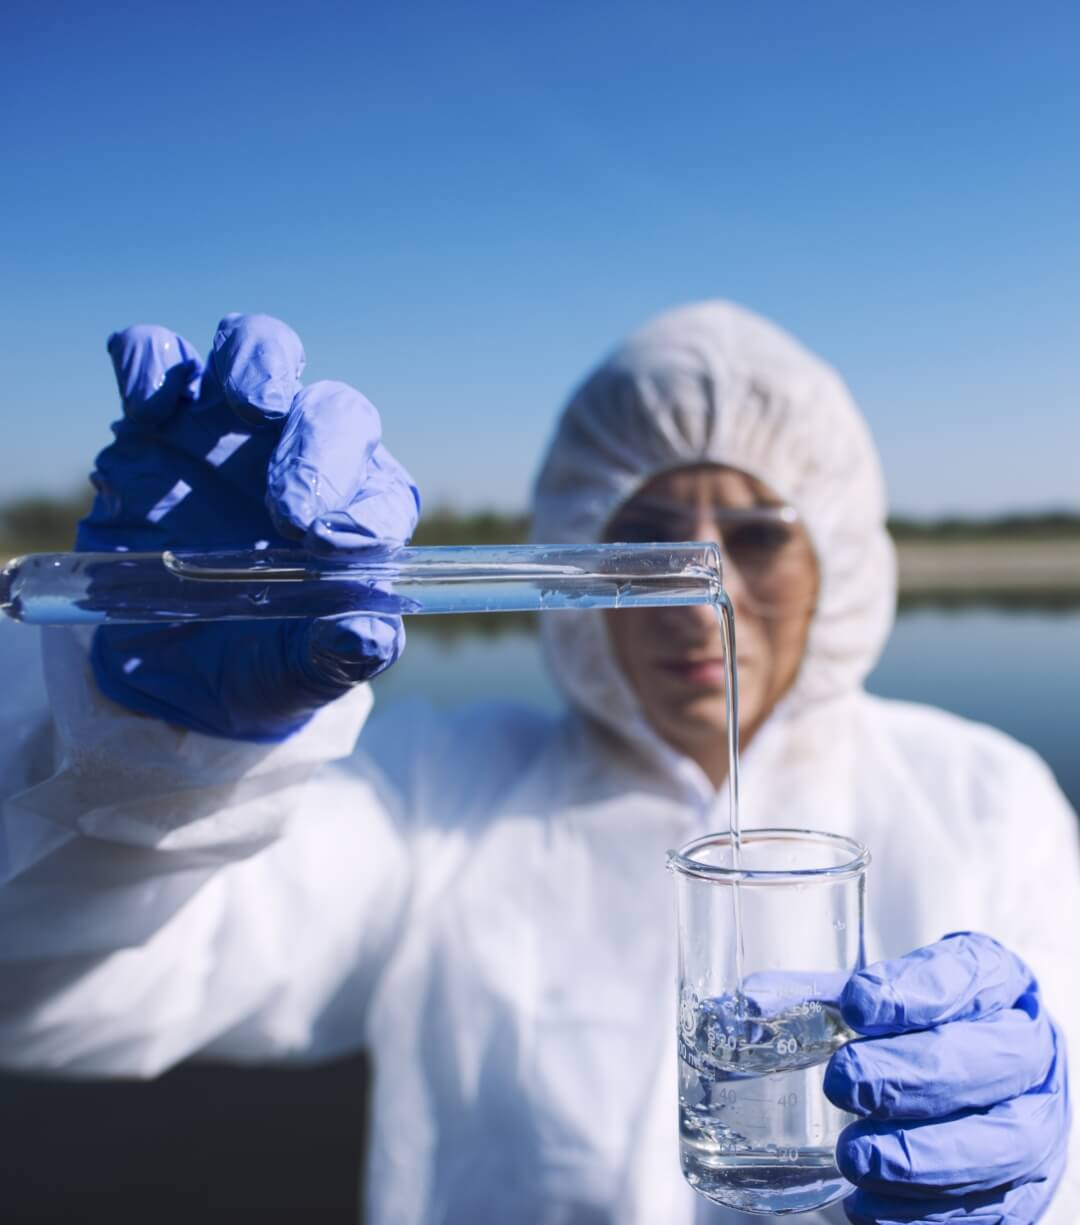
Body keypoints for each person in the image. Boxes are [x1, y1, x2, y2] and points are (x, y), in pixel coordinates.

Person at [0, 302, 1076, 1225]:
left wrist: (1035, 1172)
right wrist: (148, 750)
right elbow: (59, 994)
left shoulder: (982, 798)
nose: (709, 605)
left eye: (757, 537)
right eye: (645, 533)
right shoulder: (444, 794)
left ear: (834, 552)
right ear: (582, 550)